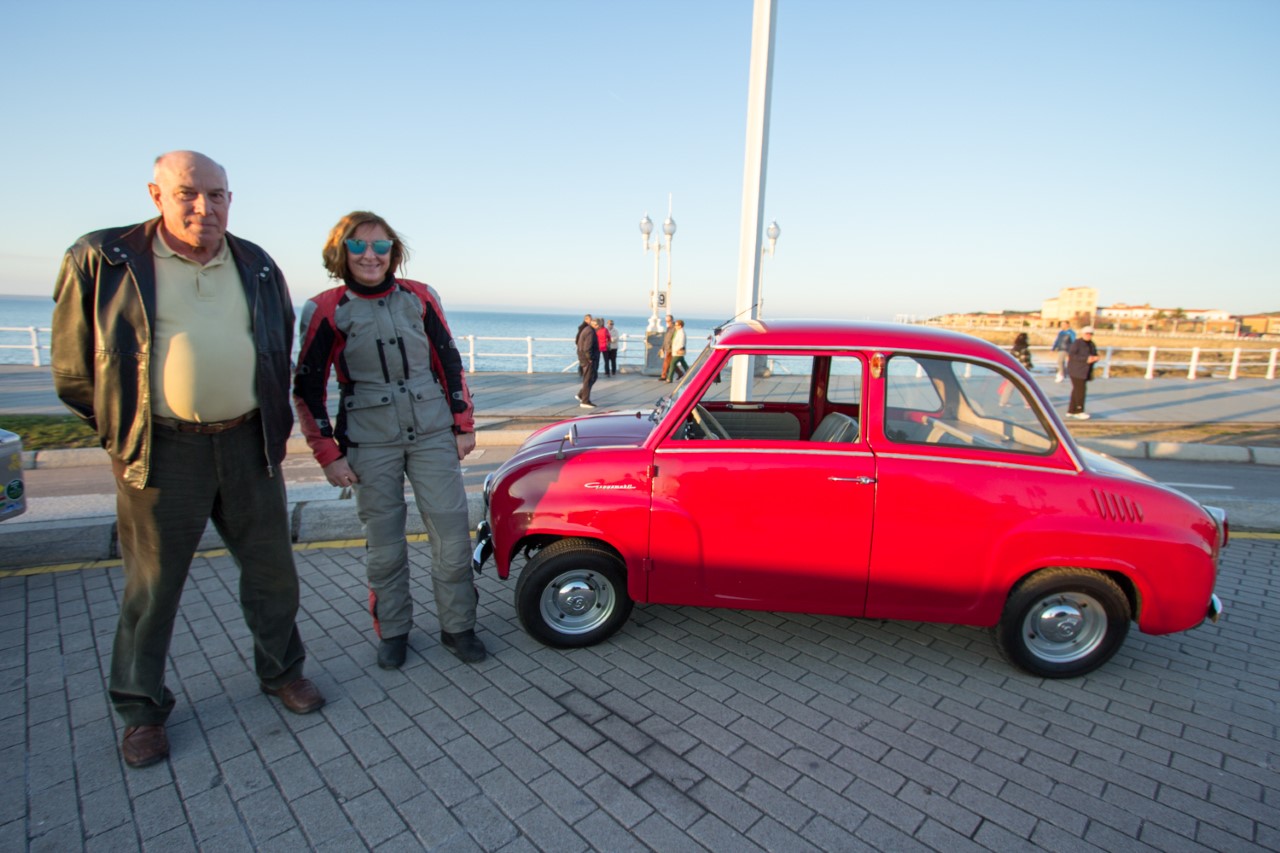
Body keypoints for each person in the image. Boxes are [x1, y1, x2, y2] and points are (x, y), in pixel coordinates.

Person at [51, 150, 322, 769]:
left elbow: (274, 345)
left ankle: (283, 672)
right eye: (189, 193)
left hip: (249, 442)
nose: (206, 206)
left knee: (273, 573)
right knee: (153, 589)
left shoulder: (255, 264)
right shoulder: (105, 257)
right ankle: (141, 710)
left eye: (219, 194)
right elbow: (72, 372)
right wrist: (127, 431)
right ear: (156, 194)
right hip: (161, 451)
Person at [294, 211, 485, 671]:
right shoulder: (325, 308)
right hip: (369, 442)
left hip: (433, 435)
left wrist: (463, 424)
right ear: (341, 253)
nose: (370, 256)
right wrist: (328, 455)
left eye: (380, 246)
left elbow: (448, 361)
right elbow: (307, 388)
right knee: (383, 546)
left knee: (452, 536)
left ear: (393, 252)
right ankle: (394, 631)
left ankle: (458, 627)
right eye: (358, 246)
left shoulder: (420, 298)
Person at [1066, 326, 1100, 419]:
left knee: (1076, 390)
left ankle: (1071, 410)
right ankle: (1079, 410)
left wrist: (1095, 358)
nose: (1088, 335)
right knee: (1081, 391)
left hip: (1085, 371)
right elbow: (1072, 355)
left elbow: (1094, 353)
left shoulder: (1091, 344)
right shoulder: (1077, 343)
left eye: (1090, 334)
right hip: (1076, 370)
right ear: (1083, 334)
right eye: (1087, 334)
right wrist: (1086, 359)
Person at [998, 332, 1034, 407]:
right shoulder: (1024, 350)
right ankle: (1027, 403)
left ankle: (1003, 402)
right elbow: (1025, 362)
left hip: (1013, 370)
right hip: (1021, 371)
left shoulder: (1014, 349)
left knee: (1009, 387)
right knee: (1024, 388)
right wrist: (1029, 367)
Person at [576, 315, 600, 407]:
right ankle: (585, 401)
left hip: (584, 357)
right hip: (587, 359)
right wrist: (590, 358)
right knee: (588, 378)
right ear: (596, 325)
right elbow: (587, 347)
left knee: (592, 377)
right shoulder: (590, 332)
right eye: (599, 326)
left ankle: (582, 395)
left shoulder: (587, 329)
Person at [659, 314, 676, 380]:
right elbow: (666, 338)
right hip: (667, 347)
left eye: (668, 321)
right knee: (671, 362)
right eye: (666, 321)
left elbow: (674, 338)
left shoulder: (674, 328)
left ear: (672, 320)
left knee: (666, 362)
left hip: (671, 348)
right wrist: (662, 347)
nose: (667, 322)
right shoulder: (668, 328)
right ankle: (680, 373)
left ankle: (664, 375)